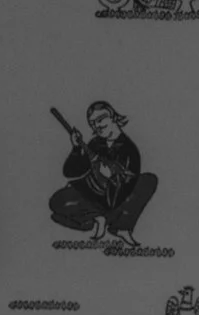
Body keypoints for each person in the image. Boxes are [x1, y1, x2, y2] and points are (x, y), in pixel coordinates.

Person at [49, 101, 157, 243]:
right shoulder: (95, 144)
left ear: (112, 116)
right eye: (92, 123)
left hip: (116, 198)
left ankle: (121, 227)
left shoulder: (128, 149)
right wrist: (76, 149)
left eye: (100, 120)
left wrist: (113, 176)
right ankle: (96, 219)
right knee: (57, 202)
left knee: (148, 180)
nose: (97, 126)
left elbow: (127, 183)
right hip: (93, 196)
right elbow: (71, 172)